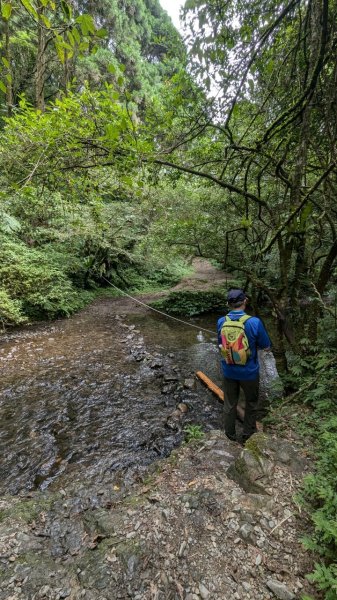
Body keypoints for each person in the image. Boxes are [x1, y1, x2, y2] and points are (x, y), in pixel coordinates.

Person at [217, 288, 271, 443]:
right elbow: (266, 346)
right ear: (245, 301)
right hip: (250, 373)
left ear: (228, 304)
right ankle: (248, 434)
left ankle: (229, 435)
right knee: (251, 403)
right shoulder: (254, 322)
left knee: (229, 404)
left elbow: (221, 345)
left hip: (229, 371)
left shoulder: (221, 321)